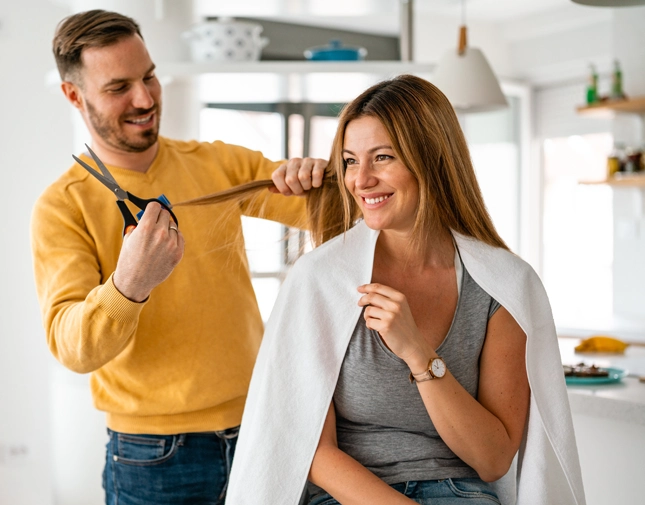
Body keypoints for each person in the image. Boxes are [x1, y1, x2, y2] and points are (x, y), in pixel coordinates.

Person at [224, 75, 586, 505]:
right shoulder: (320, 279)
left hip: (459, 493)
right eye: (350, 161)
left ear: (431, 159)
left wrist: (419, 354)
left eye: (382, 157)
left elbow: (493, 460)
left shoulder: (502, 285)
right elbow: (309, 448)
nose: (361, 179)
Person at [30, 9, 324, 505]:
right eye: (118, 86)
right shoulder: (63, 206)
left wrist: (318, 178)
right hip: (153, 459)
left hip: (258, 430)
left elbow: (334, 214)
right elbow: (71, 347)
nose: (144, 99)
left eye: (149, 77)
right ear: (74, 96)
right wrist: (129, 285)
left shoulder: (218, 164)